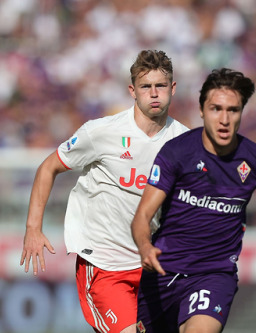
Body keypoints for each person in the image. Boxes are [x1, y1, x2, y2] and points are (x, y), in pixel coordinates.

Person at [20, 49, 189, 333]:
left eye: (160, 86)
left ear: (173, 88)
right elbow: (48, 168)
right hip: (104, 265)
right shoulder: (102, 132)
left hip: (153, 266)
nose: (154, 93)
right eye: (146, 87)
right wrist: (32, 228)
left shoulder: (185, 142)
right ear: (132, 91)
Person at [131, 68, 256, 333]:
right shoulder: (177, 153)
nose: (224, 119)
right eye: (216, 109)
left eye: (233, 110)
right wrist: (145, 247)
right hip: (162, 273)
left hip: (214, 275)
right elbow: (143, 216)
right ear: (202, 110)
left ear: (241, 112)